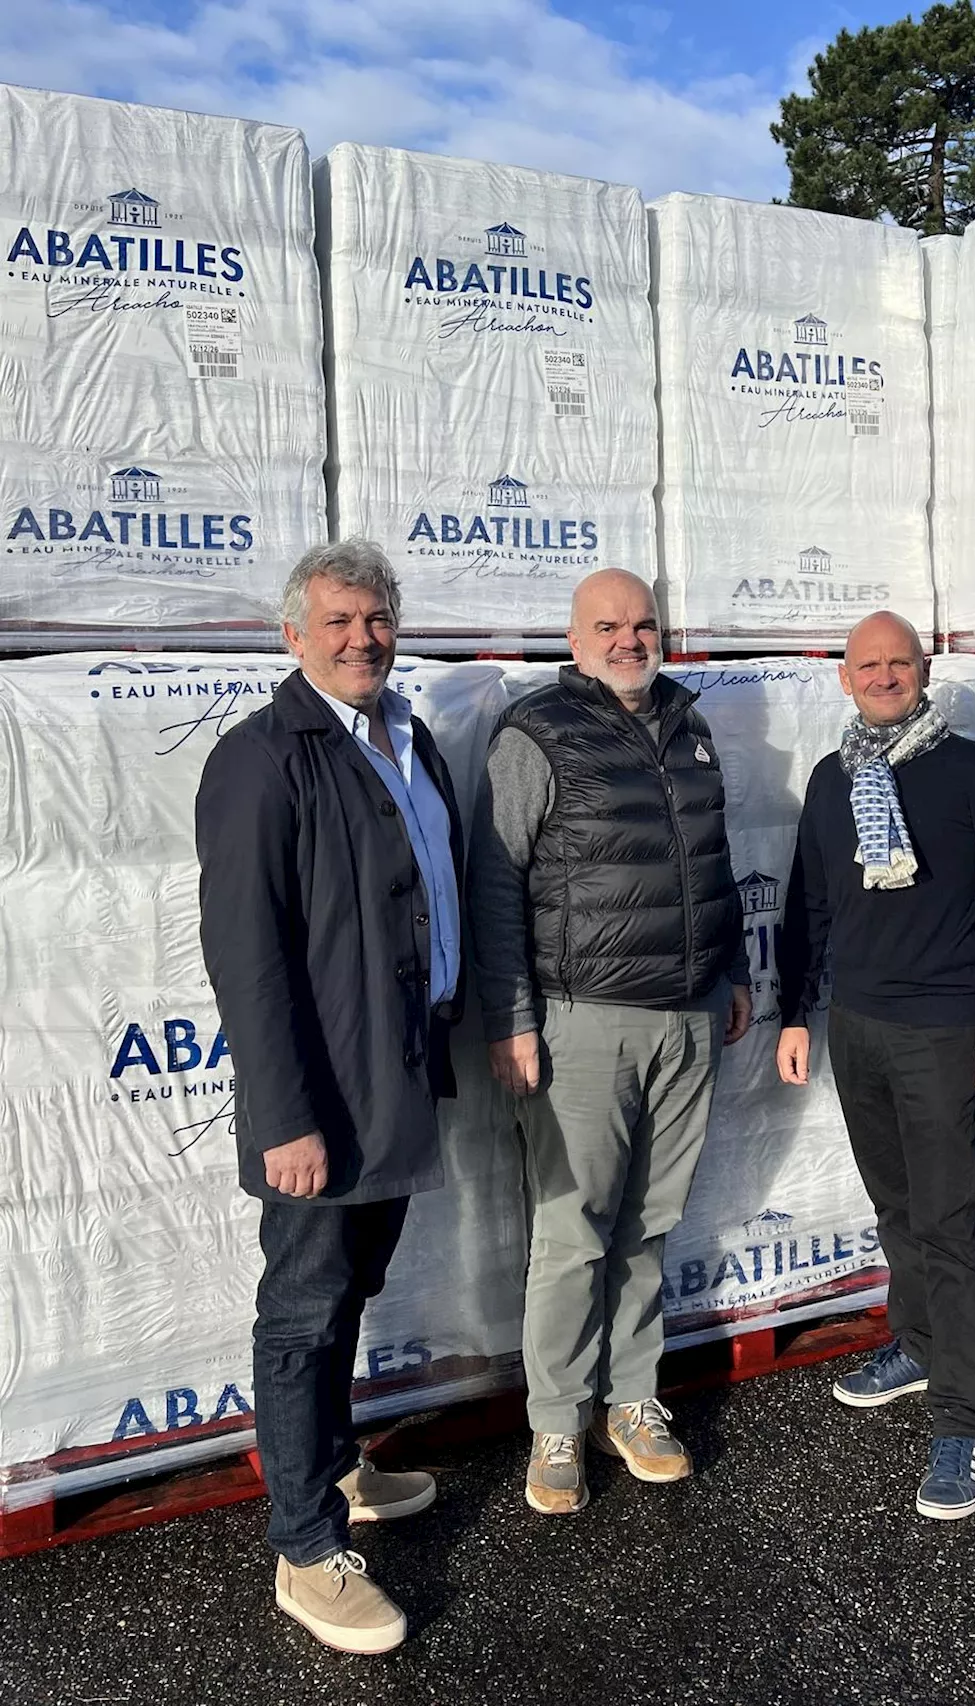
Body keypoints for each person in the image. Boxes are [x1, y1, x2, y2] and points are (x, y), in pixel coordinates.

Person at [195, 539, 465, 1653]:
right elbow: (245, 956)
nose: (362, 637)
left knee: (352, 1284)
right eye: (339, 620)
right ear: (293, 636)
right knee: (303, 1309)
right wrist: (283, 1116)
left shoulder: (410, 737)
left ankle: (334, 1465)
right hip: (325, 1097)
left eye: (377, 617)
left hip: (400, 1072)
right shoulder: (263, 758)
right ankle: (305, 1547)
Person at [467, 567, 752, 1515]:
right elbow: (496, 884)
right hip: (581, 1019)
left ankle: (632, 1402)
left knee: (650, 1225)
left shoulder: (691, 724)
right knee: (571, 1233)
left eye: (642, 625)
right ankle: (556, 1418)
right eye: (609, 626)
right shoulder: (537, 732)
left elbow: (709, 861)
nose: (630, 640)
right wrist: (510, 1018)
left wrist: (735, 974)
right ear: (574, 636)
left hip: (687, 1017)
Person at [776, 611, 975, 1521]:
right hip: (856, 1025)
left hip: (942, 1031)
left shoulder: (971, 772)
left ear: (922, 671)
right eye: (869, 664)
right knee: (896, 1206)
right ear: (844, 677)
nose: (885, 676)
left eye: (900, 662)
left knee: (947, 1219)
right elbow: (808, 903)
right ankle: (920, 1342)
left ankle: (963, 1424)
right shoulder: (833, 778)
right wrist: (793, 1011)